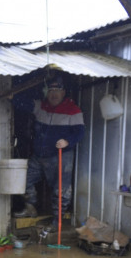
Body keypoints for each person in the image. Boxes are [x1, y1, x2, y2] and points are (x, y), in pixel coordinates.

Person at [12, 75, 85, 229]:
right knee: (23, 180)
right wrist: (11, 95)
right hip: (39, 156)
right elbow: (21, 103)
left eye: (57, 90)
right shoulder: (41, 106)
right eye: (51, 90)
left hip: (61, 156)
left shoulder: (73, 110)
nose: (53, 94)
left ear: (63, 92)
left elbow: (80, 132)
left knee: (61, 190)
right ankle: (30, 208)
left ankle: (57, 221)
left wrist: (67, 141)